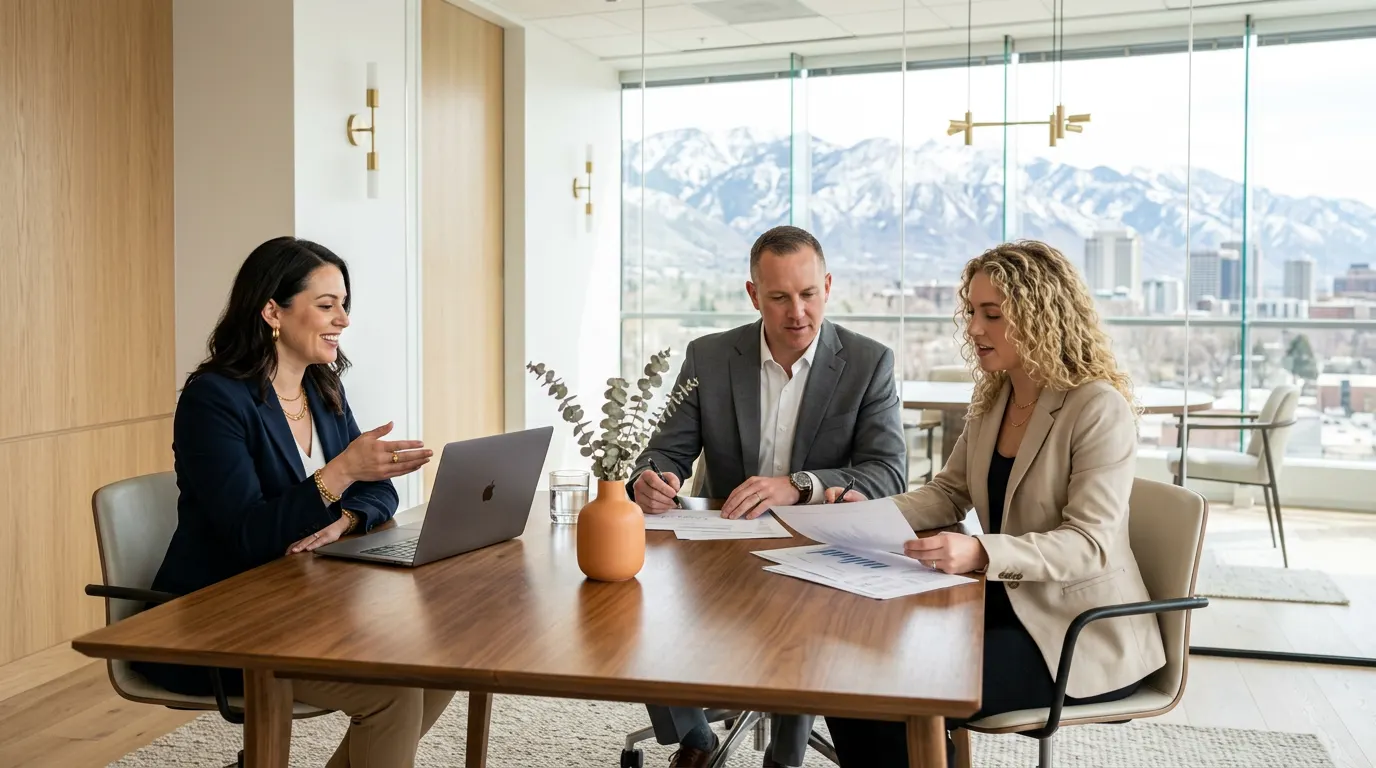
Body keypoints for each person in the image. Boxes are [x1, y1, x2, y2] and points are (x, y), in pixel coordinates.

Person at [821, 240, 1167, 767]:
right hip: (1004, 604)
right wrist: (862, 516)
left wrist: (981, 553)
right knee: (852, 670)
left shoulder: (1098, 408)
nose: (974, 329)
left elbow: (1089, 544)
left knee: (893, 687)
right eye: (971, 313)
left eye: (992, 315)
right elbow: (947, 493)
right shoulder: (996, 397)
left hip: (1076, 632)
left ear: (1039, 315)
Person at [135, 237, 453, 768]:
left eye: (344, 304)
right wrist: (339, 474)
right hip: (217, 619)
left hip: (306, 606)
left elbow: (379, 490)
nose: (343, 320)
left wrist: (346, 516)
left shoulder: (322, 389)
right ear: (271, 311)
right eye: (327, 305)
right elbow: (250, 535)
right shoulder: (213, 399)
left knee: (438, 663)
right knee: (392, 694)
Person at [629, 225, 907, 768]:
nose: (796, 312)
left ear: (827, 286)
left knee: (799, 620)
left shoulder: (869, 362)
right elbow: (666, 452)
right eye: (779, 297)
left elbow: (888, 473)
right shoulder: (709, 357)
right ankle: (697, 738)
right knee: (637, 609)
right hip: (718, 545)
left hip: (820, 547)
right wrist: (652, 479)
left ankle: (786, 756)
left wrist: (802, 485)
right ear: (754, 295)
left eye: (808, 294)